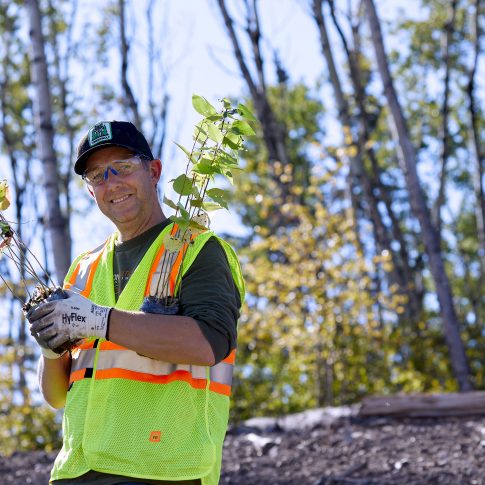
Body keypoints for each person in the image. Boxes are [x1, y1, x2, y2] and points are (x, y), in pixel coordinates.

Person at [27, 121, 244, 485]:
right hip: (78, 469)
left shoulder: (197, 250)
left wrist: (98, 320)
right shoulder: (83, 268)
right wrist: (51, 351)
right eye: (97, 176)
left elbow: (208, 344)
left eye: (122, 168)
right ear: (90, 191)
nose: (111, 183)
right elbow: (57, 396)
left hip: (163, 468)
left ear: (154, 171)